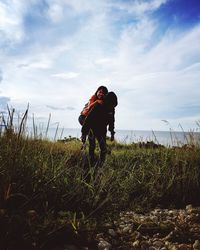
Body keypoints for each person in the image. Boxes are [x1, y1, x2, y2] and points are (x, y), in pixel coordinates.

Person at [81, 92, 118, 165]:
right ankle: (90, 162)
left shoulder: (112, 109)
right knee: (92, 146)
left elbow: (111, 122)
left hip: (102, 129)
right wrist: (84, 133)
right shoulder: (98, 105)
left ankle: (101, 164)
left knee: (103, 147)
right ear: (107, 102)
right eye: (111, 105)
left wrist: (112, 133)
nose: (112, 107)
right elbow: (88, 120)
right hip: (92, 127)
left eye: (113, 105)